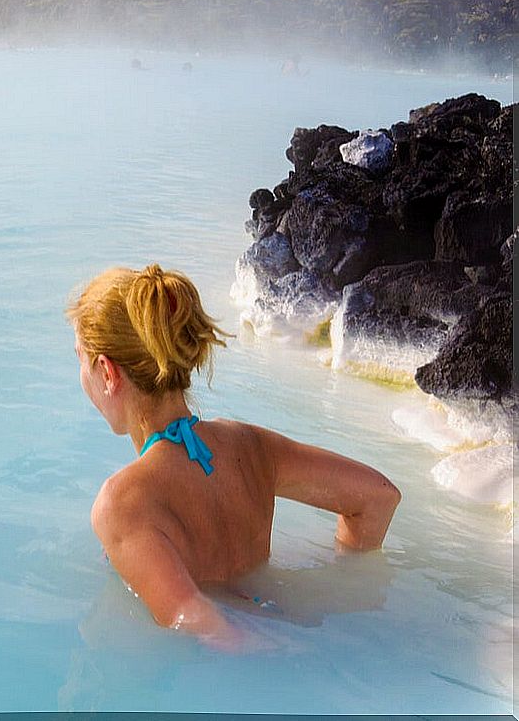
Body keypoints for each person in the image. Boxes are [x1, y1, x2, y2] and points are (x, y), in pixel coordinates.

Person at [67, 264, 400, 648]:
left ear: (107, 373)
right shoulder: (250, 445)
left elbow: (194, 619)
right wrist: (347, 582)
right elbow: (378, 497)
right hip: (288, 624)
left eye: (80, 358)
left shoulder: (122, 502)